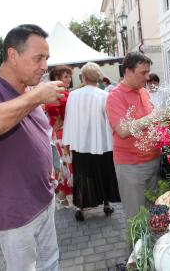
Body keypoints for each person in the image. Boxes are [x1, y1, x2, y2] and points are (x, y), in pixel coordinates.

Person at [0, 24, 62, 271]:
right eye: (38, 58)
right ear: (13, 55)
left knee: (50, 263)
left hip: (43, 196)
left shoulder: (28, 90)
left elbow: (39, 135)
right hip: (15, 208)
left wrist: (53, 164)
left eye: (47, 58)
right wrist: (36, 98)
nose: (45, 66)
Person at [106, 52, 169, 219]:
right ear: (127, 71)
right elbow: (123, 130)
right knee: (137, 219)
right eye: (143, 73)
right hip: (132, 166)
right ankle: (136, 246)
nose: (147, 77)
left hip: (153, 161)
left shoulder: (143, 91)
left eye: (148, 72)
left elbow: (149, 121)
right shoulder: (115, 96)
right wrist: (154, 117)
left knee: (154, 215)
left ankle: (151, 245)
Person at [62, 62, 121, 221]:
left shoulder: (74, 95)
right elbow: (109, 121)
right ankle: (107, 204)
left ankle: (81, 207)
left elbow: (69, 119)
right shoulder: (104, 95)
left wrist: (67, 140)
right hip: (101, 142)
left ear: (84, 77)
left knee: (82, 174)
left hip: (81, 142)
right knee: (105, 172)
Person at [44, 65, 73, 208]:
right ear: (57, 78)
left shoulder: (65, 92)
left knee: (67, 166)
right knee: (66, 166)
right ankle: (62, 196)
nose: (69, 78)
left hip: (65, 132)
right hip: (60, 133)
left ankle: (63, 196)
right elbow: (53, 114)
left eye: (69, 76)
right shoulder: (56, 94)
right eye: (65, 76)